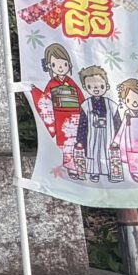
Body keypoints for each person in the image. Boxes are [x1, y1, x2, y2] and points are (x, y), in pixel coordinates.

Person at [35, 41, 85, 171]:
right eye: (55, 64)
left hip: (75, 115)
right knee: (65, 143)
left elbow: (81, 98)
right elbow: (45, 102)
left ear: (69, 63)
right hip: (60, 116)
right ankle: (70, 166)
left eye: (63, 63)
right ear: (50, 66)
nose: (60, 67)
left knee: (78, 141)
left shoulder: (71, 81)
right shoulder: (52, 83)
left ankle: (80, 165)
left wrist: (83, 111)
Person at [76, 63, 114, 185]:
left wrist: (118, 137)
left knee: (107, 151)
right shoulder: (86, 105)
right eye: (91, 87)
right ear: (86, 87)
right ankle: (94, 171)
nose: (96, 89)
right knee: (93, 151)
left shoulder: (110, 103)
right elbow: (82, 123)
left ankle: (109, 170)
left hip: (108, 132)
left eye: (100, 85)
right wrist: (80, 140)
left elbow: (117, 121)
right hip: (92, 133)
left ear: (106, 85)